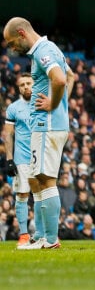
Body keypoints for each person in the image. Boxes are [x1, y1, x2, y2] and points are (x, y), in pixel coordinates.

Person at [3, 17, 74, 249]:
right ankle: (44, 237)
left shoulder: (44, 50)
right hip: (47, 125)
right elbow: (69, 75)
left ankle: (51, 240)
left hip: (48, 125)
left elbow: (61, 78)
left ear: (22, 33)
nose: (12, 48)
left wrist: (53, 104)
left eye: (12, 42)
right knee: (40, 180)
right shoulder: (46, 50)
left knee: (46, 179)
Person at [2, 73, 34, 247]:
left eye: (29, 83)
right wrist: (9, 159)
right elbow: (8, 135)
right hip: (21, 158)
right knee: (22, 195)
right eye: (22, 84)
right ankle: (23, 235)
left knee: (42, 196)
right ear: (18, 87)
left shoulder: (43, 105)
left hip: (41, 158)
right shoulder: (14, 108)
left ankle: (46, 235)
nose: (26, 87)